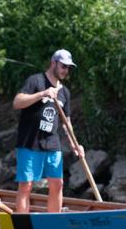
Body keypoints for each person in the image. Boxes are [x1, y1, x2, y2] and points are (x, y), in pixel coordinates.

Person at [11, 48, 84, 213]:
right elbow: (17, 102)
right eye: (63, 66)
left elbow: (67, 122)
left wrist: (75, 144)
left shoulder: (64, 92)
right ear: (53, 63)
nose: (65, 70)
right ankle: (23, 222)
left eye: (68, 67)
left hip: (51, 142)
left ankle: (54, 221)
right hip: (30, 142)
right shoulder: (35, 81)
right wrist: (42, 94)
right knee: (26, 185)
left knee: (58, 184)